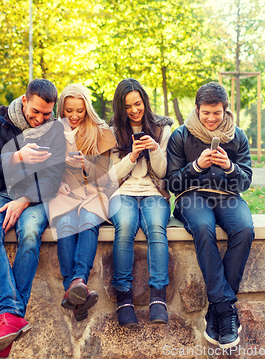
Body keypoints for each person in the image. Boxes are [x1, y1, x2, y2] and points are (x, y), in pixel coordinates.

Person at [0, 79, 65, 358]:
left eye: (47, 114)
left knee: (30, 234)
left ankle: (7, 320)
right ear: (24, 101)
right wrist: (15, 157)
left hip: (33, 197)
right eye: (35, 111)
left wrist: (23, 201)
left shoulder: (55, 130)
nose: (40, 119)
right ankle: (12, 316)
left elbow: (53, 180)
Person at [166, 82, 254, 349]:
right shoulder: (180, 136)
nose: (211, 118)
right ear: (197, 109)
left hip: (227, 196)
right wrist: (195, 166)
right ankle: (226, 311)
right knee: (203, 227)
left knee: (244, 229)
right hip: (191, 196)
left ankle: (216, 310)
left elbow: (245, 182)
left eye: (217, 113)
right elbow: (172, 184)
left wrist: (229, 167)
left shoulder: (237, 136)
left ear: (225, 111)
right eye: (206, 112)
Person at [48, 84, 116, 322]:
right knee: (66, 223)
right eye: (69, 111)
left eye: (80, 111)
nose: (74, 116)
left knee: (88, 221)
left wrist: (85, 164)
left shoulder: (100, 131)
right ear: (61, 109)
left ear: (87, 109)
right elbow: (42, 168)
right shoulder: (53, 130)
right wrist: (59, 173)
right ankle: (78, 290)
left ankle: (76, 283)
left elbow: (106, 178)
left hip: (92, 191)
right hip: (63, 192)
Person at [108, 78, 173, 326]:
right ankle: (123, 299)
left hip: (154, 193)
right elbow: (111, 178)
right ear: (120, 108)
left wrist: (155, 149)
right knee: (124, 226)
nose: (134, 110)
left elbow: (163, 172)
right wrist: (133, 155)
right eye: (128, 106)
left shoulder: (162, 128)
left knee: (157, 228)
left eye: (138, 104)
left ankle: (158, 298)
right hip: (122, 192)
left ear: (144, 101)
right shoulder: (112, 132)